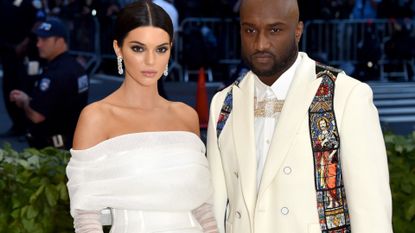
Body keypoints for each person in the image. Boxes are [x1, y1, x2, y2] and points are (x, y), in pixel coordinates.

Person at [206, 0, 393, 232]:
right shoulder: (224, 103)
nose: (260, 43)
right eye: (250, 30)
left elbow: (371, 212)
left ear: (297, 31)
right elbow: (214, 205)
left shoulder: (345, 95)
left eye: (275, 30)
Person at [65, 1, 218, 233]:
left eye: (161, 49)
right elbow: (86, 216)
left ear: (171, 49)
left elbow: (201, 205)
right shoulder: (97, 117)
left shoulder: (186, 116)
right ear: (118, 48)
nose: (150, 61)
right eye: (138, 48)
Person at [9, 17, 89, 149]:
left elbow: (37, 116)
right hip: (72, 143)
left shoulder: (55, 73)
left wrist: (24, 101)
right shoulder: (77, 68)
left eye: (45, 40)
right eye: (39, 39)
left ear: (60, 41)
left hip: (53, 151)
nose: (38, 44)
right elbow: (59, 102)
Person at [0, 0, 38, 136]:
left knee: (26, 87)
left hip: (26, 53)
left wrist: (25, 42)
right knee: (8, 89)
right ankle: (17, 125)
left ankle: (27, 126)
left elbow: (37, 22)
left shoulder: (28, 3)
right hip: (8, 53)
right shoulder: (3, 4)